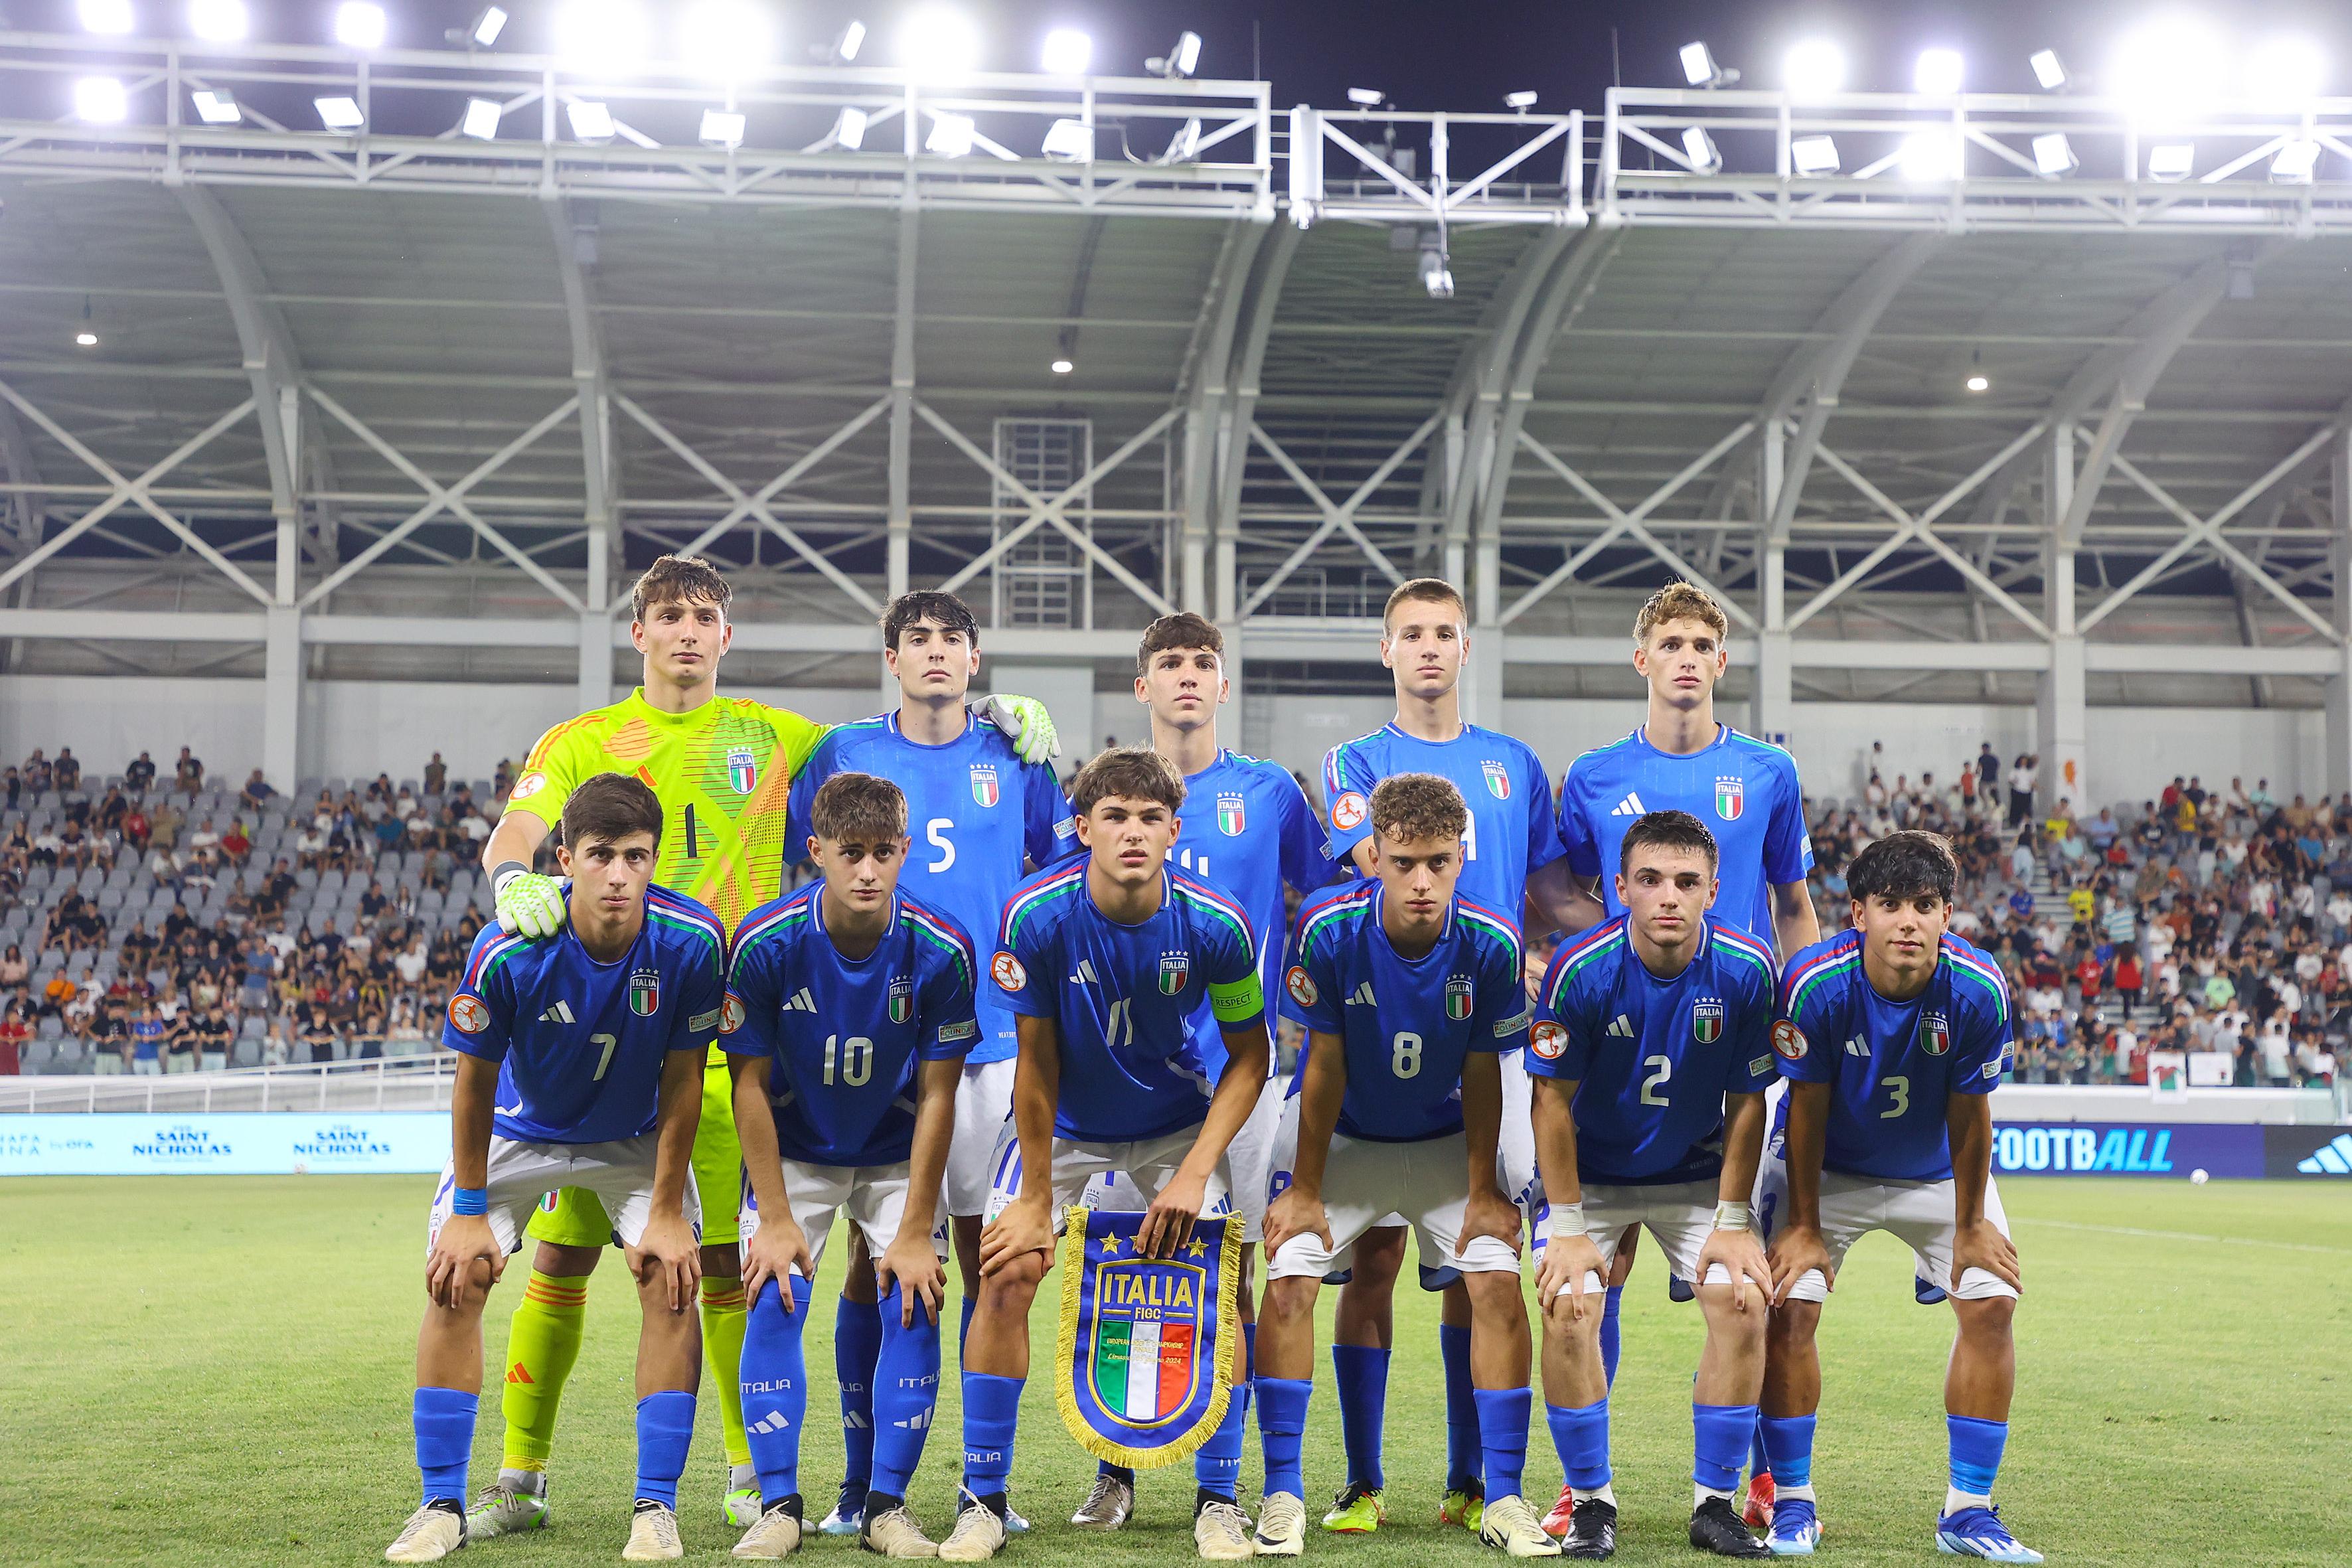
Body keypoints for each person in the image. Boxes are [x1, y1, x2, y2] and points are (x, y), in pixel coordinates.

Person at [471, 556, 1059, 1535]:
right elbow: (516, 829)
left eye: (704, 615)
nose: (687, 631)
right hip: (597, 1040)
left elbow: (904, 740)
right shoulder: (581, 740)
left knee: (722, 1269)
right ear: (639, 633)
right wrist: (509, 878)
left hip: (722, 1041)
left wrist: (998, 713)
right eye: (669, 615)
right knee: (563, 1260)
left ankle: (753, 1478)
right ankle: (519, 1477)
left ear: (726, 635)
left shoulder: (780, 737)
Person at [781, 590, 1073, 1539]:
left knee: (991, 1266)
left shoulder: (1016, 755)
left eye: (953, 639)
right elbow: (796, 861)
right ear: (892, 659)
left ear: (975, 658)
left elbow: (1058, 874)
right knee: (872, 1261)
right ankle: (860, 1488)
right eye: (918, 639)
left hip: (993, 1044)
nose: (936, 652)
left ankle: (985, 1487)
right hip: (878, 1048)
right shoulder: (841, 751)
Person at [938, 747, 1271, 1563]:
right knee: (1005, 1270)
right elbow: (1036, 1063)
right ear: (1083, 828)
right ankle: (983, 1501)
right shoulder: (1036, 915)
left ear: (1174, 831)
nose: (1133, 832)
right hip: (1065, 1127)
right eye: (1114, 816)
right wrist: (1034, 1197)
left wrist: (1194, 1172)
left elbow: (1251, 1058)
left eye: (1150, 818)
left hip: (1173, 1125)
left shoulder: (1217, 923)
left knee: (1226, 1284)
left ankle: (1219, 1501)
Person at [382, 774, 722, 1565]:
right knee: (459, 1272)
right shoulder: (510, 945)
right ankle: (440, 1504)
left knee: (672, 1275)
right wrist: (469, 1210)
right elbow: (472, 1083)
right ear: (565, 859)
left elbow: (684, 1080)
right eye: (600, 855)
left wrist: (666, 1211)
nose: (618, 875)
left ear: (655, 859)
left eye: (635, 856)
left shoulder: (693, 942)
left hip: (631, 1136)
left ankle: (656, 1508)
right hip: (517, 1131)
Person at [1316, 578, 1594, 1536]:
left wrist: (1633, 938)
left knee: (1483, 1248)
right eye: (1412, 633)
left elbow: (1553, 897)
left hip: (1494, 1035)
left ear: (1466, 648)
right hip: (1384, 1030)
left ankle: (1473, 1479)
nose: (1429, 646)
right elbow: (1381, 873)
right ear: (1385, 650)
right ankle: (1361, 1481)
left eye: (1444, 632)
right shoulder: (1355, 760)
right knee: (1374, 1254)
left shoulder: (1514, 763)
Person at [1548, 581, 1818, 1528]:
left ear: (1722, 661)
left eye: (1703, 644)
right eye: (1671, 643)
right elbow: (1560, 891)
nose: (1687, 658)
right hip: (1626, 1041)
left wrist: (1799, 1009)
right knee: (1599, 1273)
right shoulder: (1591, 775)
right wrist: (1609, 962)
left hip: (1734, 1048)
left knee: (1752, 1279)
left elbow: (1792, 903)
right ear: (1642, 659)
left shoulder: (1768, 771)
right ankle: (1583, 1483)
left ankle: (1750, 1476)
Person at [1063, 613, 1335, 1535]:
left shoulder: (1271, 792)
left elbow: (1323, 897)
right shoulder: (1112, 793)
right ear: (1142, 686)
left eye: (1203, 662)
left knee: (1233, 1276)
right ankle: (1116, 1471)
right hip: (1129, 1082)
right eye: (1170, 663)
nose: (1187, 675)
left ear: (1224, 683)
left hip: (1240, 1076)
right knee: (1121, 1268)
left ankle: (1222, 1486)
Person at [1253, 775, 1549, 1557]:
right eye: (1405, 862)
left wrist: (1483, 1189)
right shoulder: (1328, 927)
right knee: (1288, 1280)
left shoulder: (1492, 941)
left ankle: (1502, 1496)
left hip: (1446, 1143)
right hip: (1345, 1141)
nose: (1422, 881)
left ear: (1461, 859)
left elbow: (1485, 1071)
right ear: (1376, 856)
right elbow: (1323, 1064)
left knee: (1496, 1282)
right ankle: (1285, 1493)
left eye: (1439, 863)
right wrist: (1305, 1189)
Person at [1757, 831, 2037, 1563]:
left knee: (1992, 1301)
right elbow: (1805, 1109)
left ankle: (1968, 1512)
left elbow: (1971, 1114)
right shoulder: (1815, 984)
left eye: (1924, 904)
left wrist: (1970, 1225)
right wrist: (1804, 1225)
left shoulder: (1978, 988)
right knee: (1789, 1305)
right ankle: (1793, 1502)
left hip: (1937, 1174)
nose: (1907, 921)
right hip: (1826, 1171)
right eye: (1890, 904)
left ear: (1947, 913)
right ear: (1858, 914)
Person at [722, 773, 977, 1559]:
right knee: (773, 1293)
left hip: (896, 1152)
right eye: (850, 853)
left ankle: (886, 1508)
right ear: (817, 851)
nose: (868, 871)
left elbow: (940, 1095)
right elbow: (747, 1085)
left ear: (905, 850)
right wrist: (774, 1219)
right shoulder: (765, 944)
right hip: (796, 1151)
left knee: (916, 1296)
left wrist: (913, 1229)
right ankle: (778, 1506)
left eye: (883, 853)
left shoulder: (942, 948)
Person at [1528, 811, 1780, 1559]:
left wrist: (1733, 1220)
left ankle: (1715, 1505)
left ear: (1713, 891)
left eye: (1686, 881)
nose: (1668, 895)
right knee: (1568, 1303)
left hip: (1697, 1175)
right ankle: (1590, 1503)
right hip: (1592, 1179)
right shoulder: (1581, 968)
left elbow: (1749, 1102)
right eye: (1650, 879)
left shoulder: (1747, 968)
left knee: (1743, 1297)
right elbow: (1549, 1102)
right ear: (1620, 887)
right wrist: (1567, 1226)